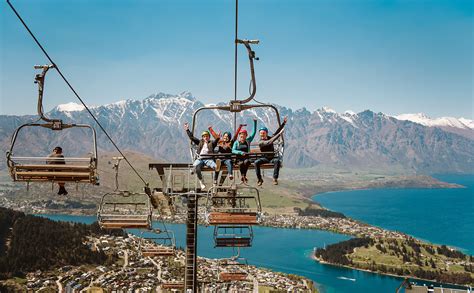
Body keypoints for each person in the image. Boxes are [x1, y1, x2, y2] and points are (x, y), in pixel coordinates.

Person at [184, 122, 221, 189]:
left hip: (208, 159)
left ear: (209, 137)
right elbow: (192, 137)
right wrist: (187, 130)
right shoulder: (200, 142)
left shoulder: (212, 143)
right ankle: (201, 181)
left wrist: (218, 137)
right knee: (196, 167)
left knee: (215, 167)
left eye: (207, 136)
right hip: (200, 158)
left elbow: (216, 141)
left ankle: (215, 176)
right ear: (202, 137)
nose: (205, 137)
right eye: (204, 136)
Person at [254, 116, 288, 186]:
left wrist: (283, 123)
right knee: (256, 162)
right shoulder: (261, 142)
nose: (262, 135)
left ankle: (275, 178)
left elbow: (277, 131)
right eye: (260, 133)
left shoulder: (270, 137)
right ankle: (259, 179)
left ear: (266, 133)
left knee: (277, 161)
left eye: (263, 133)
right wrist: (279, 134)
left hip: (272, 157)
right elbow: (269, 142)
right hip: (264, 158)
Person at [231, 119, 257, 183]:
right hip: (239, 158)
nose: (242, 136)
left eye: (244, 134)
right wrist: (240, 152)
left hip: (246, 157)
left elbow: (253, 133)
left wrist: (255, 122)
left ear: (246, 136)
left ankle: (243, 176)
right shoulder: (236, 142)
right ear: (239, 136)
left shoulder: (248, 141)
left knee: (246, 162)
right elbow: (233, 150)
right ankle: (243, 176)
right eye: (241, 134)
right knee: (241, 163)